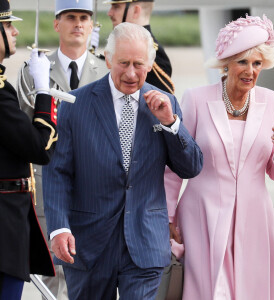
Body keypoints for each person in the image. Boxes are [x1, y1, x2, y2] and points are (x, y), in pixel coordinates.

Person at [42, 22, 203, 300]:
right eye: (123, 63)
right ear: (107, 58)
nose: (130, 73)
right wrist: (59, 228)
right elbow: (57, 173)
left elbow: (191, 167)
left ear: (150, 64)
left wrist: (170, 123)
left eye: (138, 64)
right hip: (89, 245)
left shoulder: (166, 104)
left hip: (144, 244)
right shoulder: (75, 104)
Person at [165, 14, 274, 300]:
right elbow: (175, 165)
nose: (250, 71)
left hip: (254, 218)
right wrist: (169, 217)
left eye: (257, 63)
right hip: (202, 216)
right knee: (209, 292)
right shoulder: (197, 99)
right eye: (243, 62)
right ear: (226, 63)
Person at [16, 0, 108, 298]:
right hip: (48, 186)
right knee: (53, 277)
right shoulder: (35, 68)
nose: (78, 24)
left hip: (95, 189)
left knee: (94, 274)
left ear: (93, 24)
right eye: (70, 17)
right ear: (57, 24)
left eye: (84, 17)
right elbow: (23, 129)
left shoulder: (106, 69)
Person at [0, 1, 58, 299]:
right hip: (4, 227)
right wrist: (44, 91)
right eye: (8, 26)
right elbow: (39, 147)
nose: (15, 31)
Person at [104, 0, 175, 94]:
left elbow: (161, 98)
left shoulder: (153, 53)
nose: (109, 13)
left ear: (136, 11)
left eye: (116, 7)